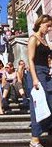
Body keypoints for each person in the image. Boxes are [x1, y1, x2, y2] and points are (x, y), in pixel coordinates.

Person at [27, 14, 52, 147]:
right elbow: (30, 59)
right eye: (47, 26)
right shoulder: (33, 38)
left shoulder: (44, 40)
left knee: (50, 102)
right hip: (36, 73)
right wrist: (35, 79)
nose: (49, 29)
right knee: (38, 105)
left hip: (46, 73)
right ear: (41, 23)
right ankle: (35, 139)